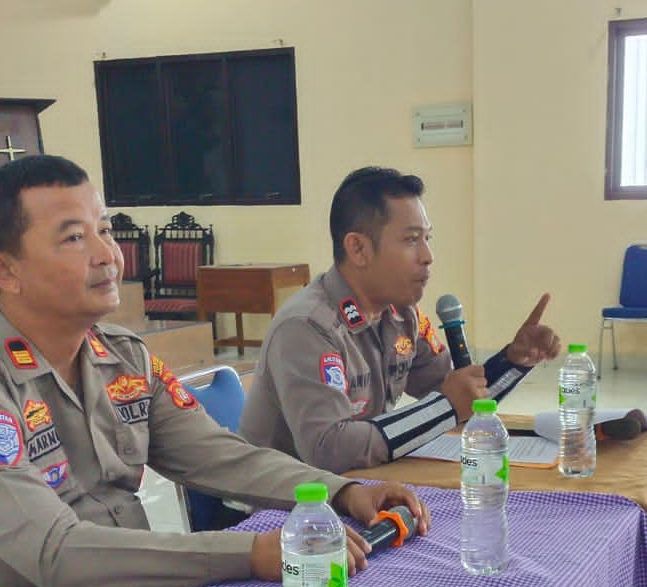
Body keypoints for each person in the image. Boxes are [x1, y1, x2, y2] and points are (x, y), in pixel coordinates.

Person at [0, 155, 427, 587]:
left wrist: (339, 490)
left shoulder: (124, 357)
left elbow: (219, 457)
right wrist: (247, 554)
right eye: (73, 239)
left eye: (105, 230)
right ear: (5, 271)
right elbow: (56, 553)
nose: (107, 255)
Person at [239, 166, 561, 472]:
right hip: (284, 510)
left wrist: (514, 361)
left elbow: (459, 395)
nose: (427, 256)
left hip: (358, 486)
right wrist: (447, 407)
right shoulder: (308, 327)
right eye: (411, 240)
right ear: (359, 249)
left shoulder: (400, 314)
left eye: (427, 238)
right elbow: (328, 450)